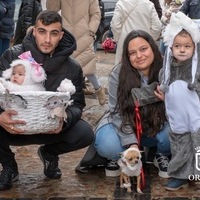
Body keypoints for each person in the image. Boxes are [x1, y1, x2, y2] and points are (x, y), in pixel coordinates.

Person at [0, 10, 94, 191]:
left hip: (52, 129)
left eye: (54, 33)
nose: (47, 40)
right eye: (42, 31)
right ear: (34, 31)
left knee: (85, 133)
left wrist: (64, 119)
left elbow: (78, 103)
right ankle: (8, 164)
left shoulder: (73, 67)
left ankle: (49, 153)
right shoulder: (12, 56)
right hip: (13, 126)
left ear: (61, 35)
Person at [76, 30, 171, 179]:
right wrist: (131, 143)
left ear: (153, 48)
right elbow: (117, 112)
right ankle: (115, 157)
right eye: (132, 53)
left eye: (143, 49)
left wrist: (169, 99)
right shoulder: (119, 74)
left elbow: (186, 107)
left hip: (156, 125)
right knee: (108, 145)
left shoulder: (168, 70)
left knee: (173, 134)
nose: (139, 56)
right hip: (123, 124)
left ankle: (161, 153)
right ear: (127, 57)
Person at [156, 11, 200, 190]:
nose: (182, 50)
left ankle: (196, 174)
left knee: (198, 147)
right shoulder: (165, 71)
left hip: (197, 118)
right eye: (178, 46)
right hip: (177, 119)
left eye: (187, 46)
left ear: (194, 47)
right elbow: (163, 87)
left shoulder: (197, 70)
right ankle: (181, 175)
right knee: (180, 148)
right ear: (170, 47)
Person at [46, 0, 107, 106]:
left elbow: (96, 14)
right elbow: (52, 9)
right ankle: (68, 96)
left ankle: (98, 89)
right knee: (65, 67)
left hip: (84, 34)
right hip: (67, 35)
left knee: (88, 66)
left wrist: (91, 31)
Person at [110, 0, 162, 65]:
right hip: (144, 41)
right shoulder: (148, 4)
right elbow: (157, 27)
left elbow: (115, 25)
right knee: (145, 66)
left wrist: (118, 39)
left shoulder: (121, 3)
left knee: (124, 68)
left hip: (125, 41)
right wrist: (149, 40)